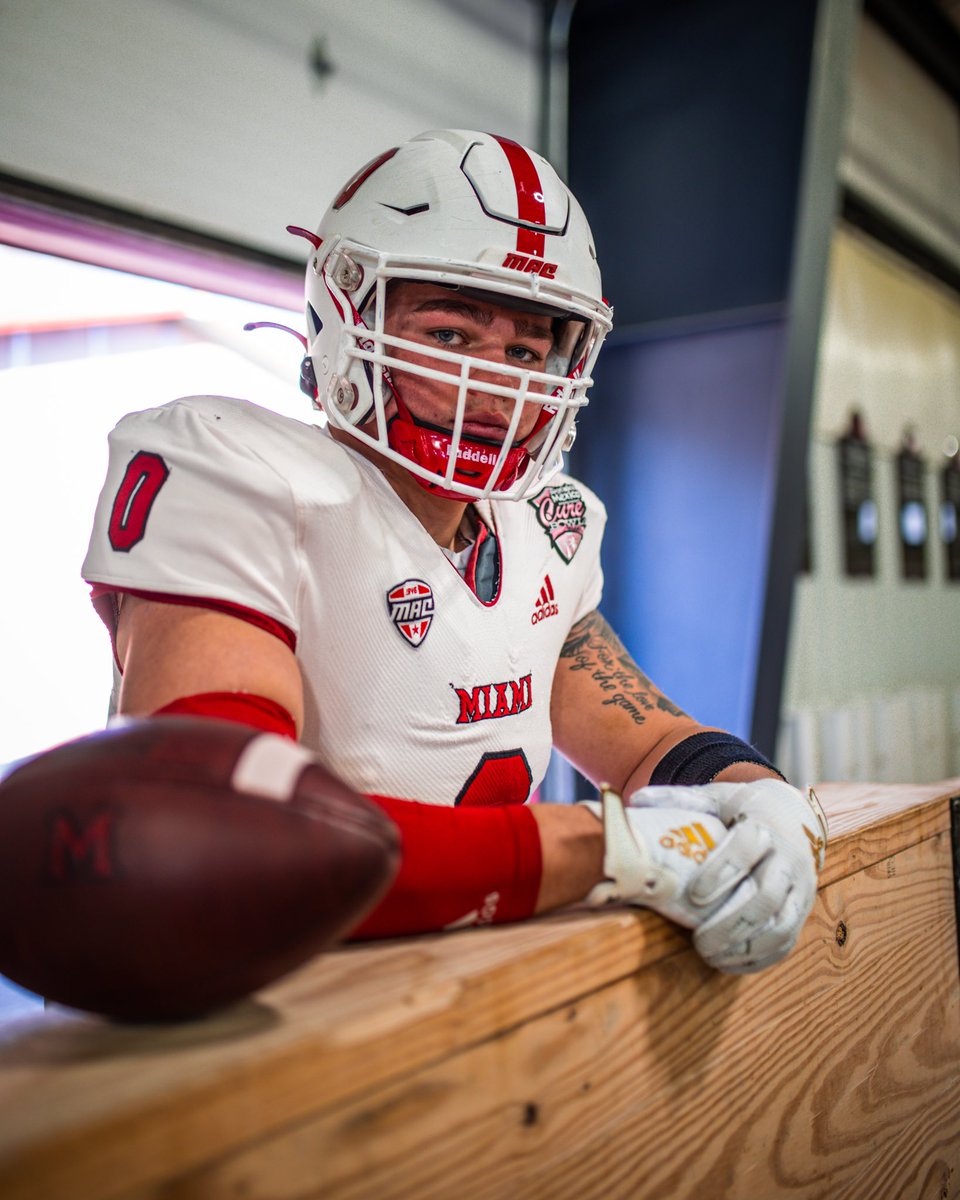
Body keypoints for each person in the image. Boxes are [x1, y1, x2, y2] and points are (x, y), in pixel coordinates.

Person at [82, 129, 826, 973]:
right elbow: (225, 832)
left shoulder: (545, 528)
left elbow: (655, 745)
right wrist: (612, 849)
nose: (498, 385)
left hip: (465, 999)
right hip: (258, 1009)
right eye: (450, 336)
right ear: (348, 314)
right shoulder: (236, 474)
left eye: (524, 351)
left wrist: (766, 804)